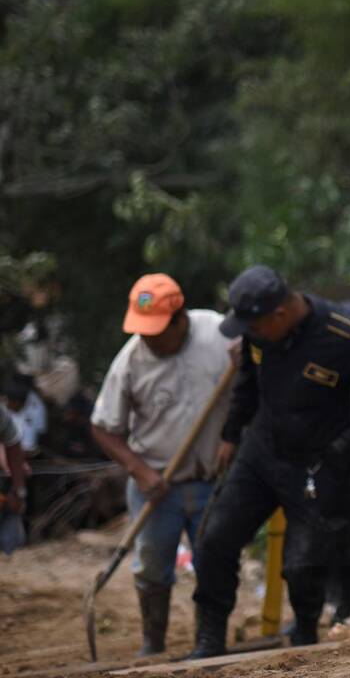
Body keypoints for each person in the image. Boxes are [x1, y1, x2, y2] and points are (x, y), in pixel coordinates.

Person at [190, 265, 350, 657]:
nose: (251, 333)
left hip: (317, 461)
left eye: (255, 325)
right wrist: (230, 434)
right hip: (260, 453)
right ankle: (208, 639)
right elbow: (247, 383)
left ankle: (305, 633)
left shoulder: (345, 333)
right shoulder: (259, 335)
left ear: (280, 313)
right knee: (215, 539)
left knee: (303, 564)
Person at [91, 274, 234, 656]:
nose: (148, 338)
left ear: (180, 318)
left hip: (211, 481)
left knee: (213, 563)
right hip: (156, 486)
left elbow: (250, 390)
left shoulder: (220, 335)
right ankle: (152, 641)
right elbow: (103, 428)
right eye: (143, 330)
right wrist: (140, 472)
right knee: (152, 569)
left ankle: (209, 640)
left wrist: (232, 437)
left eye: (155, 330)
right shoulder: (131, 360)